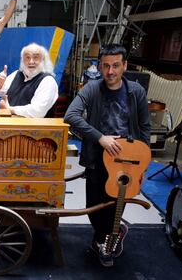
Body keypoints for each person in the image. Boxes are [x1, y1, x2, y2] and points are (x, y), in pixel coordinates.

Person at [64, 44, 150, 267]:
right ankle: (107, 235)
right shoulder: (93, 88)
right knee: (93, 205)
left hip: (126, 160)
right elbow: (70, 115)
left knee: (114, 204)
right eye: (105, 66)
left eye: (115, 66)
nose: (110, 71)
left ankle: (106, 244)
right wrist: (100, 137)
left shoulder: (136, 92)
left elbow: (144, 129)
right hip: (96, 157)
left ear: (124, 66)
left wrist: (142, 165)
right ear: (99, 66)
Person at [0, 43, 58, 118]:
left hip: (35, 128)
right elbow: (1, 92)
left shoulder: (48, 81)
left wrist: (11, 109)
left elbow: (37, 111)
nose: (31, 62)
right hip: (11, 124)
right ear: (22, 60)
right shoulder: (17, 74)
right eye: (27, 57)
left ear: (43, 60)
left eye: (35, 57)